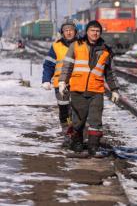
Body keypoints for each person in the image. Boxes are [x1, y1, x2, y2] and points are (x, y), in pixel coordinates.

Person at [58, 20, 120, 156]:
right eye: (92, 30)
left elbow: (110, 72)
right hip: (77, 90)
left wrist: (114, 89)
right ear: (87, 32)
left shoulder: (106, 50)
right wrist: (62, 82)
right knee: (78, 122)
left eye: (97, 31)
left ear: (100, 33)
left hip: (96, 91)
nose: (95, 33)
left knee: (95, 121)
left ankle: (93, 148)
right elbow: (67, 66)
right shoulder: (76, 46)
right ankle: (77, 144)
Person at [41, 19, 77, 146]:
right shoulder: (56, 46)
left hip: (79, 84)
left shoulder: (81, 45)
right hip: (60, 85)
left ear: (75, 32)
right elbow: (49, 64)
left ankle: (78, 136)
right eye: (66, 30)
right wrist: (46, 79)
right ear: (62, 32)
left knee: (78, 111)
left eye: (71, 30)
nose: (68, 32)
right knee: (64, 111)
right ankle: (67, 134)